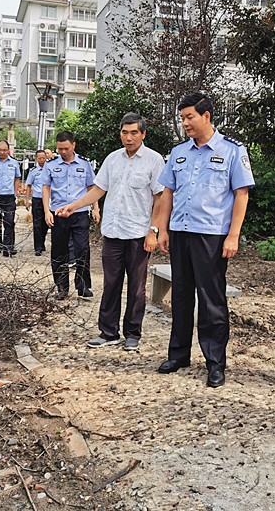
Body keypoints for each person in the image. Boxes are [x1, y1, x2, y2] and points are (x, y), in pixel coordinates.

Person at [154, 93, 254, 388]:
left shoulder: (233, 151)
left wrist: (233, 236)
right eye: (182, 118)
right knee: (181, 295)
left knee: (211, 300)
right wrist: (163, 229)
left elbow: (241, 194)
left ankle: (215, 363)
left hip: (211, 235)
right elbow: (167, 193)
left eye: (189, 117)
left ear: (206, 116)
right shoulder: (178, 152)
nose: (184, 123)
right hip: (181, 232)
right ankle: (179, 354)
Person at [56, 113, 166, 352]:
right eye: (125, 132)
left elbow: (160, 198)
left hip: (138, 234)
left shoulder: (154, 161)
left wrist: (154, 231)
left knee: (136, 286)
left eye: (134, 132)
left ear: (143, 134)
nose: (128, 137)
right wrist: (73, 206)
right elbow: (98, 190)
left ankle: (132, 333)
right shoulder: (112, 159)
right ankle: (108, 332)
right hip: (113, 233)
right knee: (110, 283)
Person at [42, 131, 100, 300]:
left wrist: (95, 208)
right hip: (59, 213)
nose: (63, 152)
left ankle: (82, 285)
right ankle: (62, 287)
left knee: (82, 249)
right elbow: (46, 187)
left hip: (80, 213)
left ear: (73, 145)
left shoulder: (84, 163)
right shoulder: (51, 164)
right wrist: (47, 211)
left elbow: (92, 187)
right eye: (60, 149)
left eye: (66, 148)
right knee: (59, 251)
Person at [0, 140, 21, 256]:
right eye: (0, 150)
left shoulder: (14, 163)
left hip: (9, 197)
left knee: (9, 222)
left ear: (8, 150)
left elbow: (17, 178)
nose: (2, 152)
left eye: (4, 150)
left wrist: (15, 194)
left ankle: (8, 247)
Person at [25, 150, 49, 256]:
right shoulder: (33, 171)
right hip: (37, 199)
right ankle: (38, 247)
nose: (42, 160)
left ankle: (42, 242)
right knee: (37, 223)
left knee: (46, 223)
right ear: (36, 159)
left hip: (48, 200)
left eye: (43, 158)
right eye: (40, 158)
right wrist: (27, 200)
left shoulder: (50, 170)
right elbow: (29, 185)